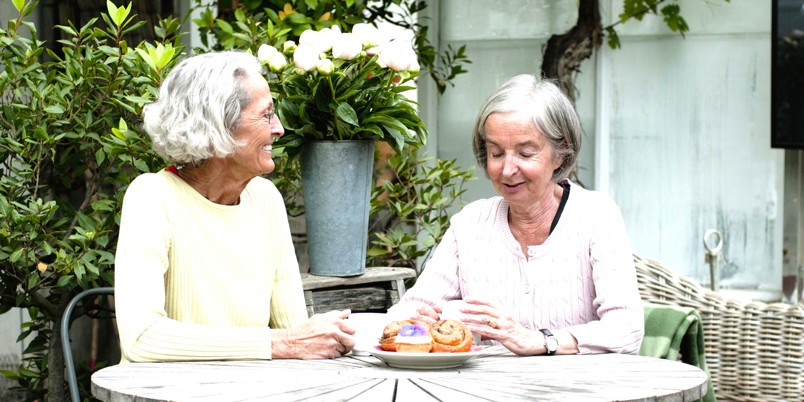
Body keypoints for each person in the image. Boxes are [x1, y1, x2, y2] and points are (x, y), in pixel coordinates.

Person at [114, 51, 355, 362]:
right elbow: (142, 339)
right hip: (164, 388)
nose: (279, 128)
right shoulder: (152, 197)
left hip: (251, 386)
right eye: (266, 115)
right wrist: (281, 344)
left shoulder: (266, 199)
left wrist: (325, 338)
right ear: (218, 125)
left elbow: (295, 332)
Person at [387, 74, 644, 356]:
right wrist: (418, 320)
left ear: (560, 153)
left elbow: (627, 328)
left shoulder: (595, 216)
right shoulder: (470, 224)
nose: (507, 170)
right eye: (496, 153)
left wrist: (541, 341)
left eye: (526, 153)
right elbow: (407, 311)